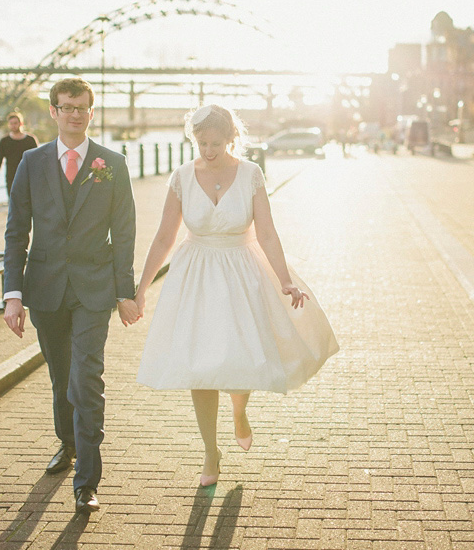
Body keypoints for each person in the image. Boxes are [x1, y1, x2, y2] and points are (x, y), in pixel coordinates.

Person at [134, 104, 338, 487]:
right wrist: (141, 288)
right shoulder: (181, 177)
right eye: (201, 143)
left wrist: (284, 280)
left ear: (232, 139)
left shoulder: (250, 175)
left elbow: (267, 234)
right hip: (195, 275)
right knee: (200, 364)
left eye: (215, 143)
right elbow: (164, 237)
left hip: (242, 272)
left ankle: (239, 410)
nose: (208, 151)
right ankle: (210, 451)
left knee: (239, 357)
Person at [2, 77, 140, 514]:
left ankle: (87, 482)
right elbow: (15, 232)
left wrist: (125, 293)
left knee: (86, 379)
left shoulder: (111, 163)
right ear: (54, 112)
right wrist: (13, 294)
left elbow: (124, 232)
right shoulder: (31, 161)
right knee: (62, 378)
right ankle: (67, 444)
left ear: (91, 112)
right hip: (44, 288)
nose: (75, 114)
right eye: (67, 107)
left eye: (82, 107)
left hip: (94, 288)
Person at [0, 112, 38, 196]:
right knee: (12, 201)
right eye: (11, 123)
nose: (13, 125)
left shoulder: (30, 140)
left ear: (21, 123)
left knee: (26, 203)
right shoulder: (4, 141)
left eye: (15, 123)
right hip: (11, 176)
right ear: (8, 125)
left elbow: (37, 159)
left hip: (27, 176)